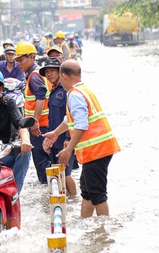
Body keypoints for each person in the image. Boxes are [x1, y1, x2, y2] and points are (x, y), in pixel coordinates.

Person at [42, 60, 120, 217]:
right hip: (98, 150)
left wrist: (68, 149)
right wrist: (56, 133)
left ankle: (102, 235)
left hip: (97, 150)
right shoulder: (82, 90)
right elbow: (70, 119)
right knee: (87, 190)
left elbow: (81, 125)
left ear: (63, 76)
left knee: (98, 194)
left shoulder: (75, 95)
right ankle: (86, 224)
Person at [14, 41, 51, 184]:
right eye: (17, 60)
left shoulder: (34, 76)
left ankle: (48, 194)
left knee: (42, 162)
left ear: (31, 57)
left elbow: (41, 99)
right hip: (45, 123)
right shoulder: (37, 73)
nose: (18, 63)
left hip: (39, 126)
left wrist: (35, 121)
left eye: (21, 60)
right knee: (48, 160)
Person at [39, 58, 76, 195]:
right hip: (54, 140)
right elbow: (52, 118)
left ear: (60, 72)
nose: (49, 74)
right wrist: (48, 139)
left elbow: (71, 115)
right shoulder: (53, 91)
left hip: (65, 141)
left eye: (52, 71)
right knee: (57, 172)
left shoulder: (66, 91)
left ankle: (73, 200)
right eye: (47, 72)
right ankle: (63, 202)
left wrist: (68, 138)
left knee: (66, 174)